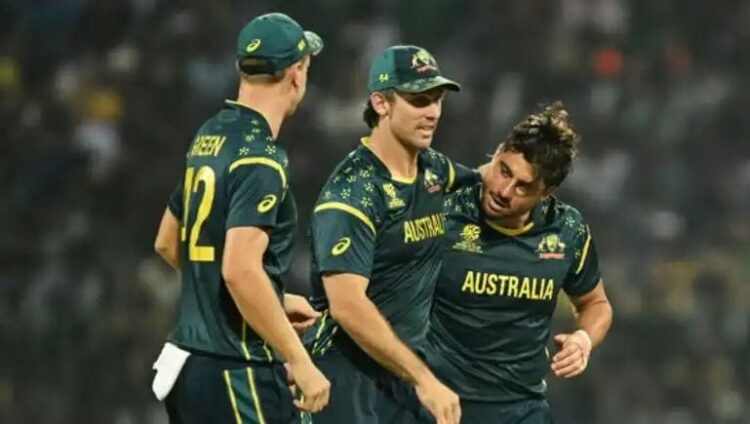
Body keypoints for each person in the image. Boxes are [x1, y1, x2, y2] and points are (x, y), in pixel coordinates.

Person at [152, 13, 330, 423]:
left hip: (189, 367)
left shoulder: (210, 135)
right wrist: (298, 359)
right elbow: (239, 270)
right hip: (238, 370)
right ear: (297, 73)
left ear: (241, 69)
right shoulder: (261, 158)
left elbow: (168, 241)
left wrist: (271, 302)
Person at [305, 45, 478, 424]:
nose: (433, 112)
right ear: (381, 103)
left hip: (402, 375)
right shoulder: (353, 193)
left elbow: (488, 181)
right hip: (347, 379)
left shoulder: (433, 170)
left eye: (437, 99)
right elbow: (347, 304)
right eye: (419, 100)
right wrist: (424, 380)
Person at [423, 102, 614, 423]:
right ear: (497, 154)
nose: (503, 190)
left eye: (523, 186)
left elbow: (595, 303)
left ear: (546, 192)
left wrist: (584, 339)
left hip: (522, 410)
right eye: (504, 171)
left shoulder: (567, 230)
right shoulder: (446, 212)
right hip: (441, 406)